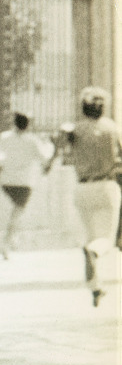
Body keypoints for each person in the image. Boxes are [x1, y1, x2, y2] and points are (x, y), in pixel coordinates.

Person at [63, 88, 122, 306]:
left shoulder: (75, 129)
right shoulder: (111, 128)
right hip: (106, 186)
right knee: (104, 240)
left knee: (90, 237)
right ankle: (93, 253)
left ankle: (95, 287)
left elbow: (62, 149)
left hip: (82, 187)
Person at [0, 112, 54, 259]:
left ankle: (12, 240)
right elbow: (45, 157)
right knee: (17, 214)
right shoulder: (32, 141)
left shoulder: (4, 137)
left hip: (5, 181)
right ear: (28, 125)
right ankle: (7, 243)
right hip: (24, 183)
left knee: (14, 213)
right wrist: (49, 145)